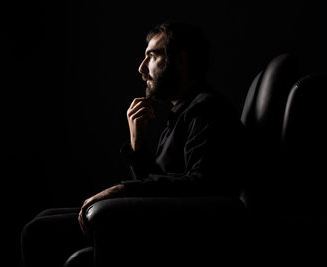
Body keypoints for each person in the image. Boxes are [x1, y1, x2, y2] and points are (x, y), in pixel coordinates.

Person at [21, 20, 248, 267]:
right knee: (42, 219)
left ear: (181, 60)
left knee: (39, 231)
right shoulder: (182, 112)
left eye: (151, 56)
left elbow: (202, 185)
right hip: (159, 220)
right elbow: (160, 186)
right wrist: (138, 144)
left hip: (176, 234)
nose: (141, 68)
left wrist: (122, 189)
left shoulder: (207, 110)